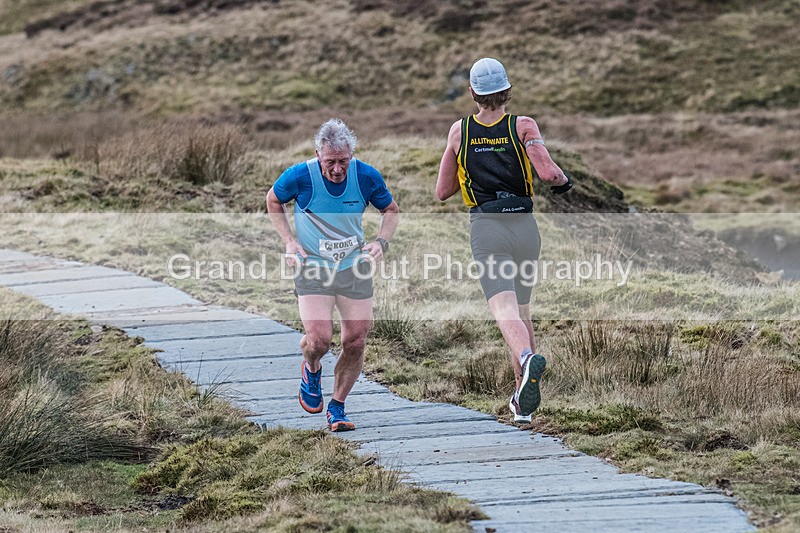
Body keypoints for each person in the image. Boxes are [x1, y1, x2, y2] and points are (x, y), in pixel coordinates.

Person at [435, 58, 573, 423]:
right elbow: (548, 173)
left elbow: (442, 191)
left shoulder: (459, 132)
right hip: (526, 228)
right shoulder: (523, 126)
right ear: (507, 89)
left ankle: (527, 360)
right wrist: (565, 182)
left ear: (473, 93)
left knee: (504, 311)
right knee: (523, 313)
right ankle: (522, 403)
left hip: (488, 227)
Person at [266, 118, 399, 431]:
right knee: (319, 339)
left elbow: (390, 210)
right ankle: (311, 366)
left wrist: (381, 242)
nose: (337, 169)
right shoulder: (300, 175)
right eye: (330, 162)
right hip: (313, 267)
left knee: (355, 340)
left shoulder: (366, 176)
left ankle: (337, 407)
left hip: (354, 267)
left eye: (343, 161)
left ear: (351, 155)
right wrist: (289, 241)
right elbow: (273, 199)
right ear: (317, 154)